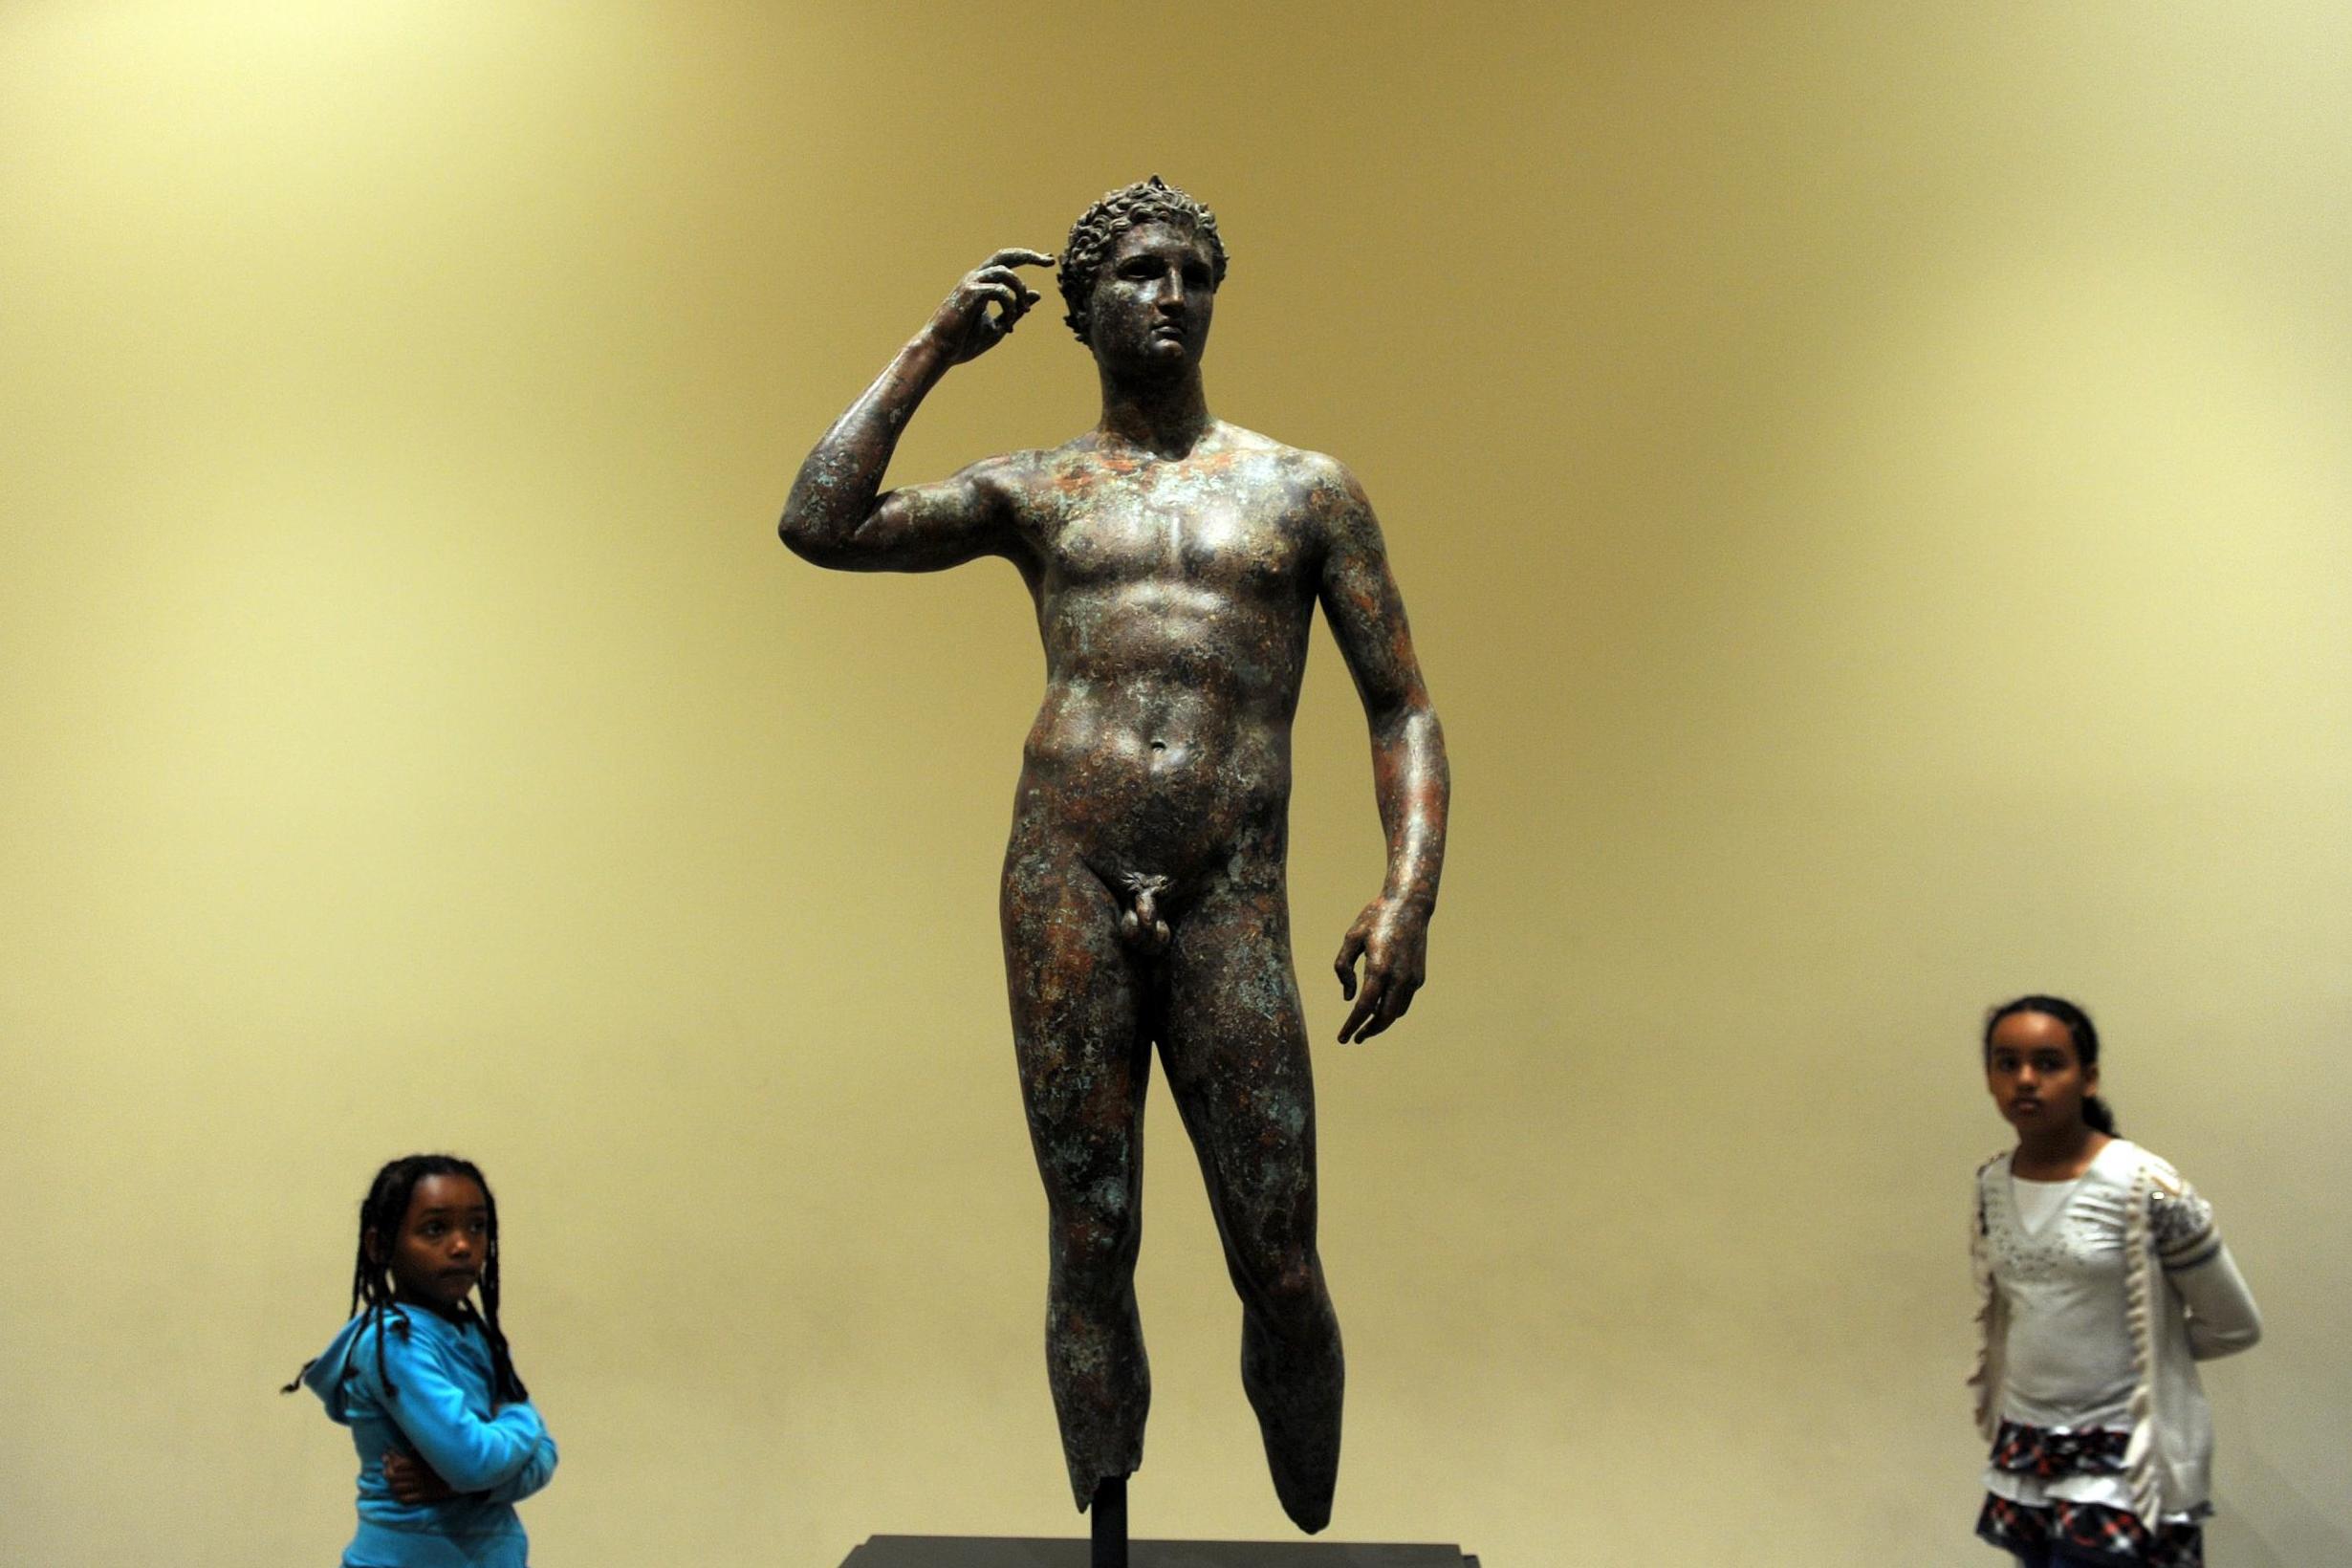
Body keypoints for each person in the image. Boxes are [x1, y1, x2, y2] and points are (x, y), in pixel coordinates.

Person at [778, 176, 1449, 1533]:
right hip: (1067, 876)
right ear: (1081, 313)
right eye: (1140, 274)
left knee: (1280, 1256)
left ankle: (1307, 1497)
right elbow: (821, 521)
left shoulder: (1302, 491)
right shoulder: (1041, 491)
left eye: (1193, 274)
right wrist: (933, 348)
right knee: (1091, 1235)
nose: (1171, 297)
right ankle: (1104, 1504)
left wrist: (1407, 890)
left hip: (1229, 891)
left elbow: (1404, 705)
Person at [1970, 996, 2261, 1567]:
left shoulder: (2144, 1186)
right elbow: (2012, 1313)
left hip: (2126, 1458)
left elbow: (2234, 1325)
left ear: (2089, 1078)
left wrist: (2148, 1357)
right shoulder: (1991, 1185)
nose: (2025, 1080)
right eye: (2007, 1063)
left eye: (2049, 1063)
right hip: (2029, 1451)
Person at [287, 1154, 557, 1568]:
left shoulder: (476, 1334)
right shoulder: (395, 1341)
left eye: (477, 1227)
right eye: (435, 1229)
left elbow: (545, 1458)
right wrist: (523, 1420)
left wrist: (463, 1486)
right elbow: (476, 1460)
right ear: (380, 1246)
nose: (463, 1245)